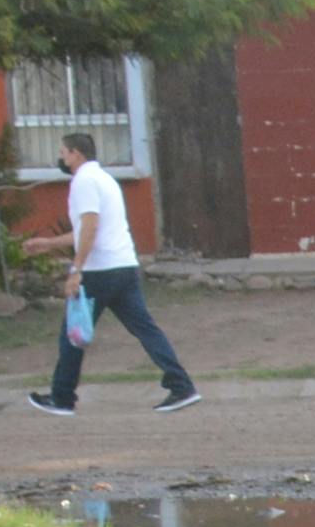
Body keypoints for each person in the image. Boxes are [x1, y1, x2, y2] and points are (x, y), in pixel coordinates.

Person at [17, 134, 197, 415]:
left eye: (63, 152)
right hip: (124, 266)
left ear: (76, 153)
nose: (61, 158)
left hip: (98, 272)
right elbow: (89, 229)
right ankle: (181, 385)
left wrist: (76, 270)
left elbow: (90, 226)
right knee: (145, 329)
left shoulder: (83, 182)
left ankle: (62, 397)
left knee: (73, 334)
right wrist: (48, 244)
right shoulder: (105, 180)